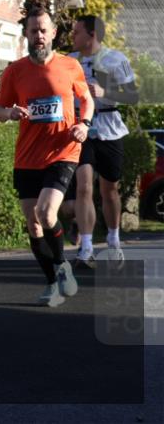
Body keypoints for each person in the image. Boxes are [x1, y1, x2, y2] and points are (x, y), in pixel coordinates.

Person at [0, 3, 93, 307]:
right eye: (33, 31)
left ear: (53, 33)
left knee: (46, 213)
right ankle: (53, 282)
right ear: (26, 34)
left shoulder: (70, 66)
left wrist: (84, 125)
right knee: (33, 224)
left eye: (43, 30)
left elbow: (86, 99)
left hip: (63, 150)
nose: (39, 36)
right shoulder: (15, 71)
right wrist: (10, 113)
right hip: (27, 157)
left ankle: (62, 265)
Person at [62, 15, 139, 268]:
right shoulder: (69, 61)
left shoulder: (117, 59)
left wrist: (107, 93)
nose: (73, 36)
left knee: (110, 190)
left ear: (92, 35)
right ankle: (86, 247)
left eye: (77, 32)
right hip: (81, 128)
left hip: (109, 127)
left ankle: (114, 241)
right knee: (84, 187)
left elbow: (132, 95)